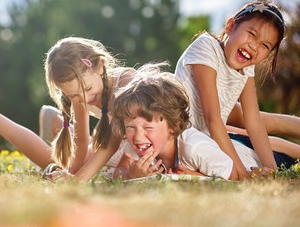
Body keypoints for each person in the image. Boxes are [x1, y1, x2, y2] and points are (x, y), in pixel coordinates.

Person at [0, 37, 134, 179]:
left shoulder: (126, 84)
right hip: (116, 146)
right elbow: (81, 142)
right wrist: (70, 175)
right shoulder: (81, 92)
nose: (84, 99)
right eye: (73, 96)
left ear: (100, 67)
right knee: (57, 164)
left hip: (128, 142)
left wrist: (76, 178)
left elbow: (111, 142)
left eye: (87, 89)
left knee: (82, 167)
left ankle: (55, 122)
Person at [174, 0, 299, 180]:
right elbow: (213, 118)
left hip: (210, 139)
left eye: (264, 46)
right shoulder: (206, 47)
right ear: (231, 25)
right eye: (251, 34)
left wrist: (271, 170)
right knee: (221, 156)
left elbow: (253, 120)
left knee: (264, 156)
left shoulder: (246, 67)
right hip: (185, 137)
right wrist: (242, 174)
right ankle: (202, 171)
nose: (254, 47)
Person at [111, 62, 298, 180]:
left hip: (266, 161)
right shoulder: (138, 145)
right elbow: (120, 170)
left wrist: (198, 177)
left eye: (148, 127)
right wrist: (130, 174)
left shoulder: (195, 148)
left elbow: (239, 179)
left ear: (173, 126)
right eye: (130, 127)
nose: (137, 136)